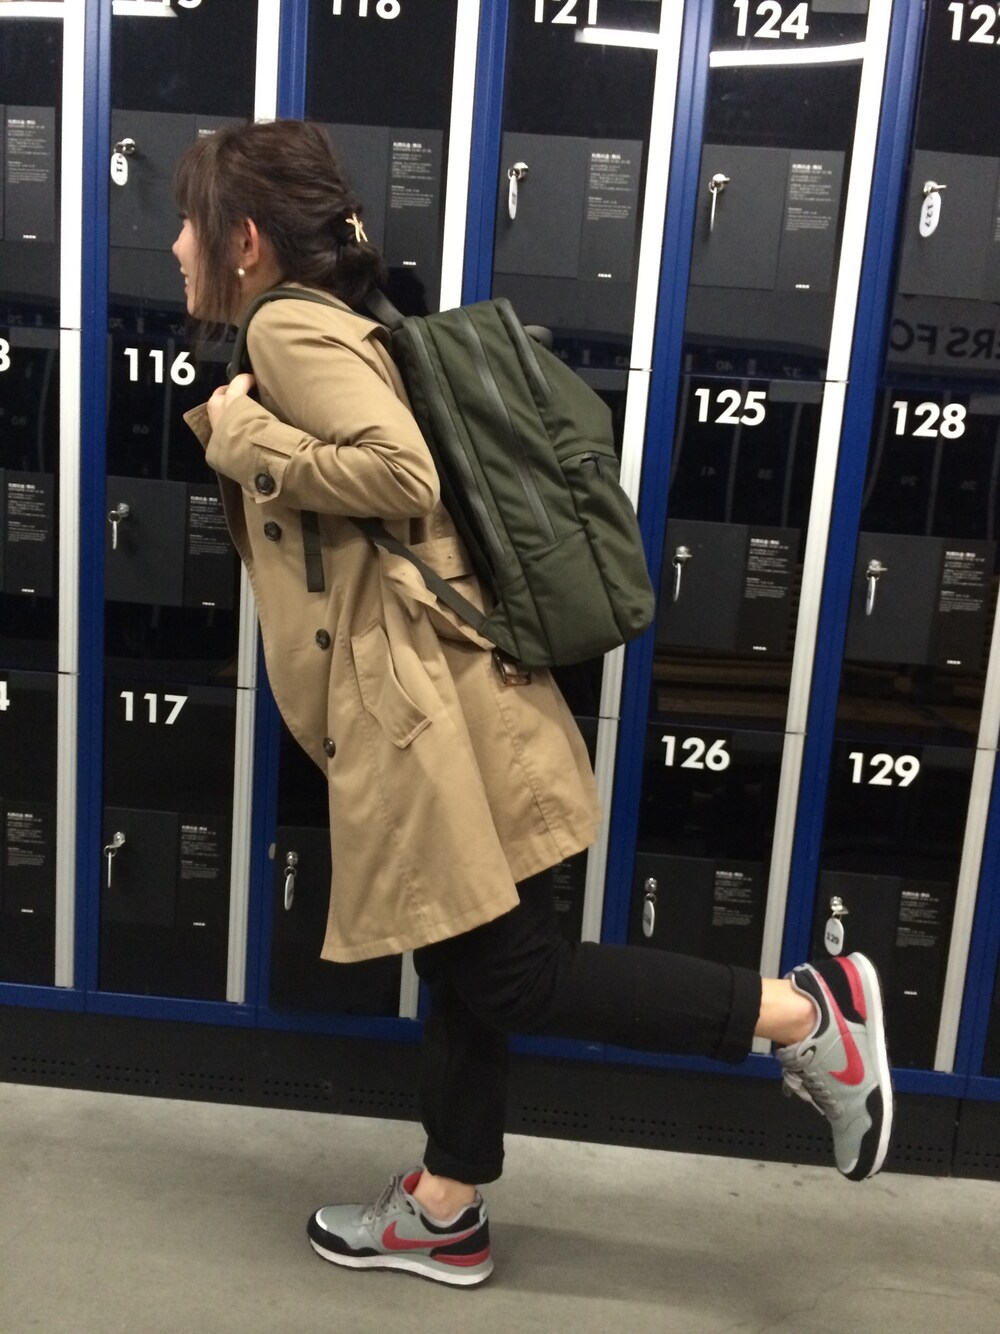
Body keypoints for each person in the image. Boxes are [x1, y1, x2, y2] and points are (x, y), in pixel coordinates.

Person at [175, 119, 894, 1289]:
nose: (175, 245)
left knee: (508, 971)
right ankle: (446, 1206)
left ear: (244, 239)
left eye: (190, 224)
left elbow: (401, 473)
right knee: (465, 961)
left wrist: (244, 432)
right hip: (460, 686)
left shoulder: (286, 327)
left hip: (432, 707)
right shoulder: (348, 316)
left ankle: (803, 1015)